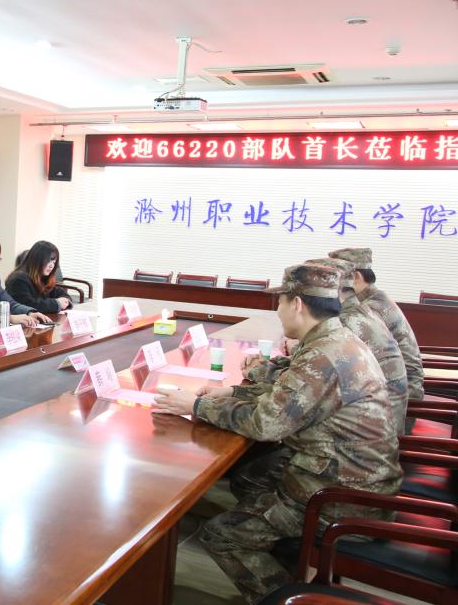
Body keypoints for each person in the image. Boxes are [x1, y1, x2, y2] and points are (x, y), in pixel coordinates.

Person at [153, 263, 401, 604]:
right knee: (250, 478)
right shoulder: (336, 339)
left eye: (280, 303)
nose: (278, 311)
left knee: (222, 535)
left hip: (339, 496)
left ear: (297, 304)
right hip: (356, 479)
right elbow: (290, 393)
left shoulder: (324, 355)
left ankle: (289, 597)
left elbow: (266, 424)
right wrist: (233, 393)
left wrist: (195, 406)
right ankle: (291, 566)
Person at [329, 247, 425, 406]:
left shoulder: (369, 308)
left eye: (333, 278)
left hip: (400, 397)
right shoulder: (375, 299)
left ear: (355, 277)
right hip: (395, 388)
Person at [5, 240, 73, 312]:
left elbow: (61, 293)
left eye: (54, 262)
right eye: (48, 261)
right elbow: (28, 305)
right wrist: (57, 303)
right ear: (37, 260)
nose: (52, 266)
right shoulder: (18, 279)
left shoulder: (42, 277)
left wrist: (65, 300)